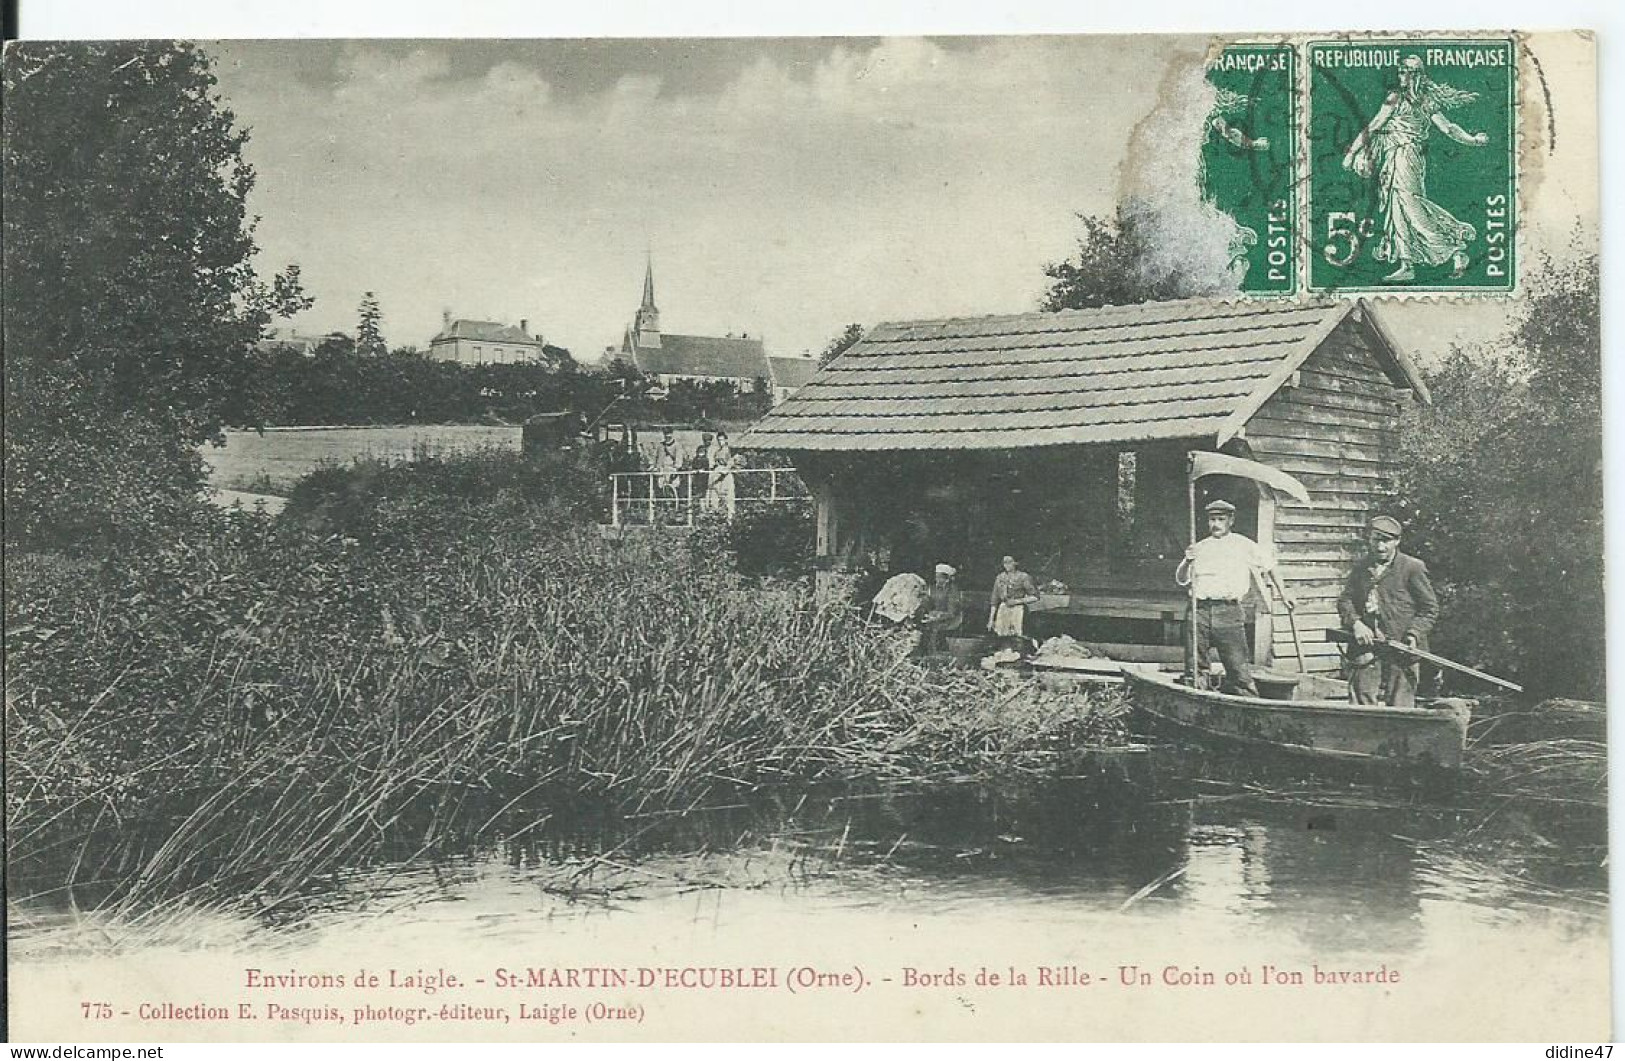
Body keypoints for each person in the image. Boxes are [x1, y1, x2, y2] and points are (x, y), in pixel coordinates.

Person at [1342, 55, 1491, 282]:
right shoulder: (1398, 98)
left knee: (1410, 207)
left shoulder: (1419, 100)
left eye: (1405, 72)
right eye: (1400, 71)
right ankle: (1407, 264)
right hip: (1396, 158)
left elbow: (1448, 128)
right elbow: (1374, 126)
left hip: (1407, 156)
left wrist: (1472, 140)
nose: (1401, 76)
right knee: (1398, 208)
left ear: (1416, 75)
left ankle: (1453, 249)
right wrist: (1353, 153)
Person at [1175, 499, 1293, 695]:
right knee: (1195, 666)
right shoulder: (1199, 547)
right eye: (1212, 519)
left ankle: (1247, 703)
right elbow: (1181, 579)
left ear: (1231, 520)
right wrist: (1188, 561)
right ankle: (1197, 699)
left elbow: (1271, 566)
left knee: (1237, 665)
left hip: (1228, 612)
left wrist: (1284, 593)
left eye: (1221, 519)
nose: (1216, 524)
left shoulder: (1243, 545)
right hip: (1199, 611)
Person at [1337, 515, 1439, 708]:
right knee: (1360, 704)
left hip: (1401, 648)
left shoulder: (1412, 568)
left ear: (1397, 541)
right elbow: (1345, 600)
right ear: (1369, 539)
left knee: (1400, 706)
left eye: (1386, 541)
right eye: (1376, 539)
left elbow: (1429, 609)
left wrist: (1414, 634)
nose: (1380, 547)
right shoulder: (1361, 567)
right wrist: (1356, 624)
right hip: (1366, 644)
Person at [986, 554, 1040, 651]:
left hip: (1018, 610)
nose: (1006, 565)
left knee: (1017, 636)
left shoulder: (1023, 577)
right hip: (1003, 609)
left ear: (1015, 563)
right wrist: (991, 619)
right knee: (1002, 636)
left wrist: (1017, 601)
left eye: (1009, 562)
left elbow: (1035, 597)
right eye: (1004, 562)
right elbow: (994, 600)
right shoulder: (1000, 578)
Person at [917, 562, 964, 655]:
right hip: (935, 617)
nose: (937, 579)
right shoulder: (933, 589)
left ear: (946, 579)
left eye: (939, 577)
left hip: (951, 619)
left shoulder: (952, 591)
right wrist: (924, 606)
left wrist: (937, 616)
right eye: (936, 577)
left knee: (934, 628)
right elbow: (928, 604)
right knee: (921, 627)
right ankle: (923, 652)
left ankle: (934, 653)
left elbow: (952, 612)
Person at [706, 430, 736, 519]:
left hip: (725, 475)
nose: (720, 442)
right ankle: (716, 516)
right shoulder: (717, 451)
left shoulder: (728, 450)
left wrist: (725, 470)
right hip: (717, 473)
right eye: (719, 440)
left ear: (726, 440)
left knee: (728, 495)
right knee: (715, 493)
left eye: (722, 440)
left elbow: (730, 462)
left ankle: (730, 517)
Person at [652, 427, 684, 510]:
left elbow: (679, 460)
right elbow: (657, 458)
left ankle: (674, 507)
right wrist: (655, 467)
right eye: (666, 434)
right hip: (662, 470)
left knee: (672, 489)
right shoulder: (660, 446)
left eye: (669, 434)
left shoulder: (677, 445)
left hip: (671, 470)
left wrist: (676, 468)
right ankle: (662, 507)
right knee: (660, 489)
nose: (667, 436)